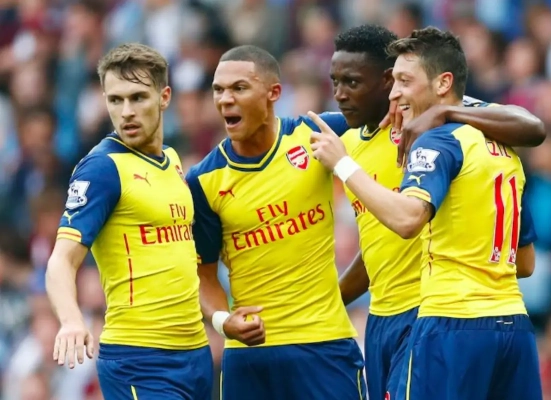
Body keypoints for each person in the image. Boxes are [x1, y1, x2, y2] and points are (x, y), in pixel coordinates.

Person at [311, 27, 542, 400]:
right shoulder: (500, 142)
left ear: (443, 83)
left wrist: (343, 166)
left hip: (446, 319)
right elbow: (524, 261)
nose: (395, 92)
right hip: (511, 320)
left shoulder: (436, 138)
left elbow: (407, 220)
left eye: (404, 81)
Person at [185, 45, 365, 400]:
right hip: (250, 358)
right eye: (219, 90)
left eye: (239, 88)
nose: (225, 99)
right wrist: (222, 321)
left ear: (274, 93)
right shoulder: (203, 180)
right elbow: (203, 273)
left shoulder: (319, 133)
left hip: (324, 345)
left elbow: (391, 111)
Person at [45, 43, 213, 399]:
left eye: (138, 98)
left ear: (164, 97)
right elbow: (61, 260)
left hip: (195, 353)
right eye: (115, 100)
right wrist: (71, 320)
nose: (126, 112)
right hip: (139, 360)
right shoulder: (102, 168)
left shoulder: (172, 160)